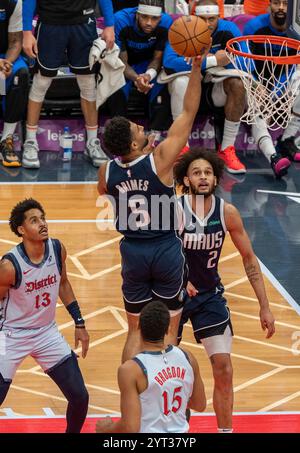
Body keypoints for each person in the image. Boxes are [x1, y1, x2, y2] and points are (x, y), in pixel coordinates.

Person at [97, 50, 208, 363]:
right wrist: (196, 68)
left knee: (134, 330)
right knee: (168, 328)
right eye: (137, 129)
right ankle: (162, 397)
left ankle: (129, 400)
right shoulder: (160, 161)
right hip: (164, 249)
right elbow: (188, 112)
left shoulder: (105, 170)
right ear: (134, 145)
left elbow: (106, 197)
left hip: (132, 250)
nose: (141, 127)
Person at [173, 147, 275, 433]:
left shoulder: (227, 212)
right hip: (175, 295)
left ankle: (225, 431)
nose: (203, 177)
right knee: (165, 366)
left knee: (224, 368)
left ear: (216, 179)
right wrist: (181, 279)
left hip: (208, 296)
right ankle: (171, 425)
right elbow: (161, 253)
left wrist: (264, 305)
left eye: (208, 172)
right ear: (187, 180)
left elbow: (249, 259)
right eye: (197, 173)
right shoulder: (175, 210)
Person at [0, 198, 90, 433]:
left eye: (43, 218)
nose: (42, 224)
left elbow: (64, 284)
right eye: (34, 220)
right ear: (21, 230)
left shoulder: (57, 249)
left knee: (80, 397)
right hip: (10, 335)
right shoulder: (9, 266)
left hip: (45, 332)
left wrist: (79, 322)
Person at [21, 0, 115, 169]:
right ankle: (30, 141)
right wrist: (27, 31)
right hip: (51, 22)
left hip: (84, 21)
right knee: (41, 81)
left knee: (87, 83)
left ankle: (92, 142)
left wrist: (110, 25)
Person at [161, 0, 247, 174]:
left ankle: (227, 149)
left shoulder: (229, 29)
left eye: (212, 19)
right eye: (202, 19)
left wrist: (226, 61)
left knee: (238, 84)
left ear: (219, 18)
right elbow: (169, 63)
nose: (207, 24)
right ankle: (181, 147)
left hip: (213, 90)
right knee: (180, 82)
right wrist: (214, 60)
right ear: (193, 17)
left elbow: (246, 62)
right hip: (187, 92)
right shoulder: (182, 27)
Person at [96, 301, 206, 433]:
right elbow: (200, 404)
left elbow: (130, 428)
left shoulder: (130, 370)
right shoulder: (188, 357)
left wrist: (106, 428)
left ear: (138, 327)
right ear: (168, 329)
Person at [243, 0, 300, 177]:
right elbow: (245, 62)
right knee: (255, 104)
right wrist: (255, 84)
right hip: (255, 81)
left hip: (282, 82)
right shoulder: (254, 26)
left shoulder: (296, 31)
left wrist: (277, 92)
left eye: (285, 3)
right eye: (276, 2)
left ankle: (287, 139)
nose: (281, 8)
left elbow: (292, 68)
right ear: (269, 5)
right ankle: (273, 157)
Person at [107, 0, 173, 137]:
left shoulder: (166, 22)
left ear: (160, 17)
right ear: (137, 14)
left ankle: (156, 137)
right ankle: (120, 137)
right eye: (144, 17)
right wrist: (137, 78)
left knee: (161, 86)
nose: (149, 22)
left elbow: (157, 59)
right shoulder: (121, 19)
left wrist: (148, 75)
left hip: (149, 64)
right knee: (116, 89)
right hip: (124, 65)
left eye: (154, 18)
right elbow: (121, 61)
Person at [0, 0, 29, 168]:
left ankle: (6, 139)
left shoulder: (14, 2)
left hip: (5, 55)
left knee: (21, 74)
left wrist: (6, 64)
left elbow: (16, 42)